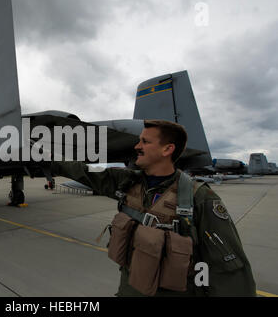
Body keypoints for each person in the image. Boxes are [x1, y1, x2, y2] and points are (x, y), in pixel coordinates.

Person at [50, 119, 256, 297]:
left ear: (167, 149)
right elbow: (82, 172)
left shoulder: (200, 197)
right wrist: (42, 153)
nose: (137, 146)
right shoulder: (127, 182)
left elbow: (230, 270)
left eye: (145, 142)